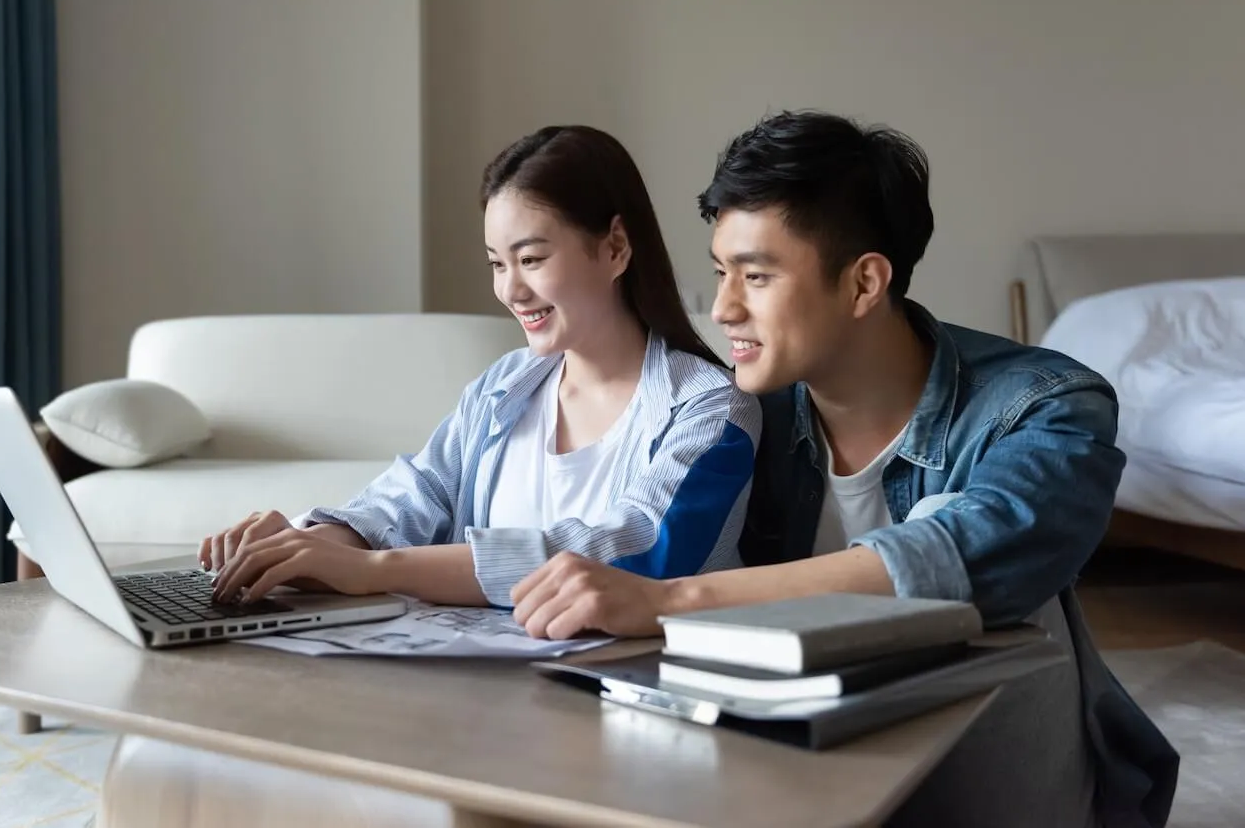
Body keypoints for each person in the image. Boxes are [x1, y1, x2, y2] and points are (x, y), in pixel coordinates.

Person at [509, 111, 1178, 828]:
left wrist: (673, 598)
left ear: (863, 284)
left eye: (757, 276)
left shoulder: (1046, 406)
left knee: (983, 585)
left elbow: (977, 552)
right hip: (806, 771)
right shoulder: (740, 413)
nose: (725, 307)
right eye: (719, 273)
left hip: (1000, 785)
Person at [200, 124, 760, 611]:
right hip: (484, 697)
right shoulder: (503, 387)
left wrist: (376, 571)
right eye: (497, 263)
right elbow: (415, 495)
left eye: (531, 259)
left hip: (621, 700)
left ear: (614, 247)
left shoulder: (712, 409)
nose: (511, 290)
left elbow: (636, 547)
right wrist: (319, 543)